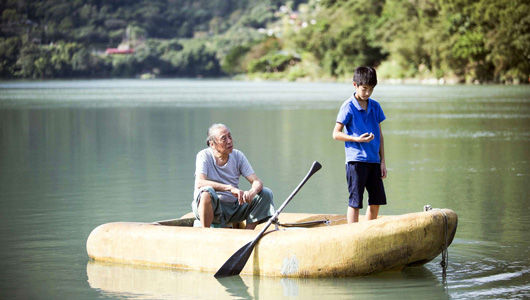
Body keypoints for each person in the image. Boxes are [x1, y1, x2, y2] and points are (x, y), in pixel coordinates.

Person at [192, 123, 275, 229]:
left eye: (229, 136)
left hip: (233, 207)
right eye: (224, 139)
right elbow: (200, 182)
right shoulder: (203, 156)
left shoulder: (238, 156)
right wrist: (230, 188)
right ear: (212, 144)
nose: (229, 141)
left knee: (266, 193)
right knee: (206, 192)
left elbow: (257, 181)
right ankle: (206, 232)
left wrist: (251, 192)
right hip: (211, 208)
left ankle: (248, 234)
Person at [332, 67, 387, 223]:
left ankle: (368, 231)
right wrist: (357, 139)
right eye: (364, 89)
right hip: (356, 161)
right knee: (355, 202)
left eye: (371, 89)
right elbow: (336, 134)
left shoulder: (375, 106)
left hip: (374, 161)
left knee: (376, 200)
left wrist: (382, 161)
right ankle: (353, 234)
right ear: (355, 85)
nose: (368, 93)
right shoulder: (348, 106)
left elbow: (380, 135)